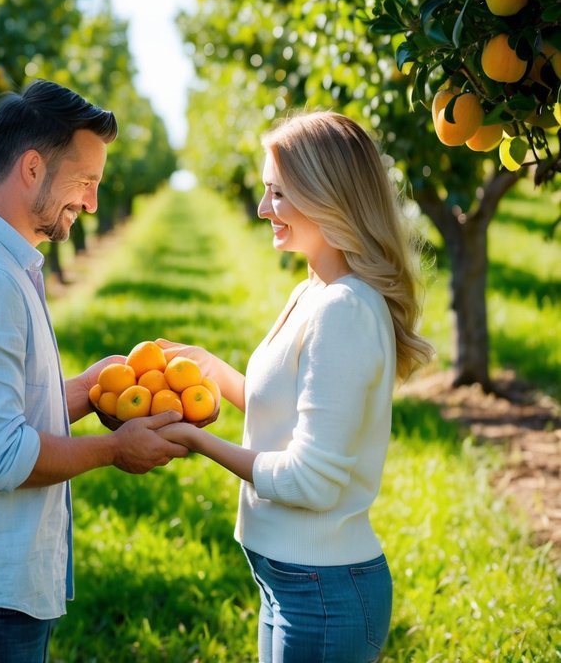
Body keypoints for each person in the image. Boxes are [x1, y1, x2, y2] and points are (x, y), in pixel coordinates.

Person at [0, 79, 186, 663]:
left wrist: (85, 390)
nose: (93, 202)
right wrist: (114, 449)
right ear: (32, 168)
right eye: (86, 182)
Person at [158, 110, 434, 663]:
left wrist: (196, 441)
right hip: (288, 580)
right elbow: (288, 412)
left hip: (323, 591)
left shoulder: (345, 309)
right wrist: (215, 372)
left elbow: (313, 480)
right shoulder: (312, 290)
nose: (263, 209)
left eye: (278, 193)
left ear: (326, 194)